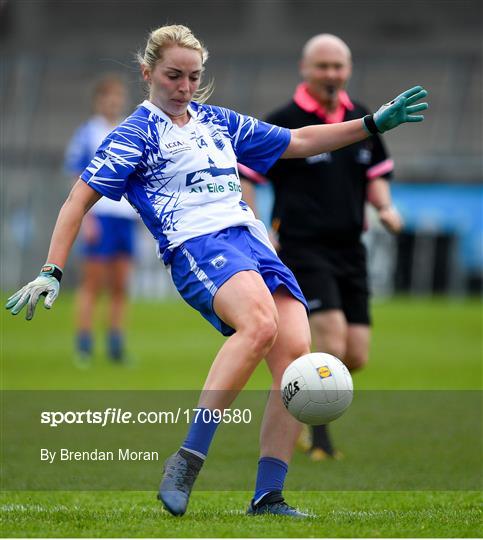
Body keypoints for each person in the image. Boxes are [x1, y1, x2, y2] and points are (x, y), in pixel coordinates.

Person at [5, 25, 427, 517]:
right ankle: (187, 459)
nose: (184, 87)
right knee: (260, 325)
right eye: (173, 76)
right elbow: (78, 199)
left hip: (253, 243)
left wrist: (370, 123)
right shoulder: (133, 135)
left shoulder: (217, 121)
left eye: (193, 76)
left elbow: (299, 139)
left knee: (296, 361)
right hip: (197, 245)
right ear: (147, 73)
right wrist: (51, 270)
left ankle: (269, 495)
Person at [242, 33, 404, 461]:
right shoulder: (284, 121)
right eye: (323, 66)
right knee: (329, 339)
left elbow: (376, 174)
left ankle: (294, 396)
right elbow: (248, 178)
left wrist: (385, 208)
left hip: (351, 248)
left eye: (338, 66)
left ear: (348, 69)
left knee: (356, 354)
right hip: (302, 246)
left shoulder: (365, 118)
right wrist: (258, 227)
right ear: (305, 69)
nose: (331, 74)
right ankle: (321, 439)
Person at [64, 75, 138, 364]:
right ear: (98, 101)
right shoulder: (88, 133)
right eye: (109, 97)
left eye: (118, 97)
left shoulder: (128, 130)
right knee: (92, 284)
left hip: (124, 217)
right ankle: (83, 344)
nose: (114, 102)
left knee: (121, 286)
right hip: (101, 217)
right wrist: (86, 218)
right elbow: (76, 177)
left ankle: (116, 346)